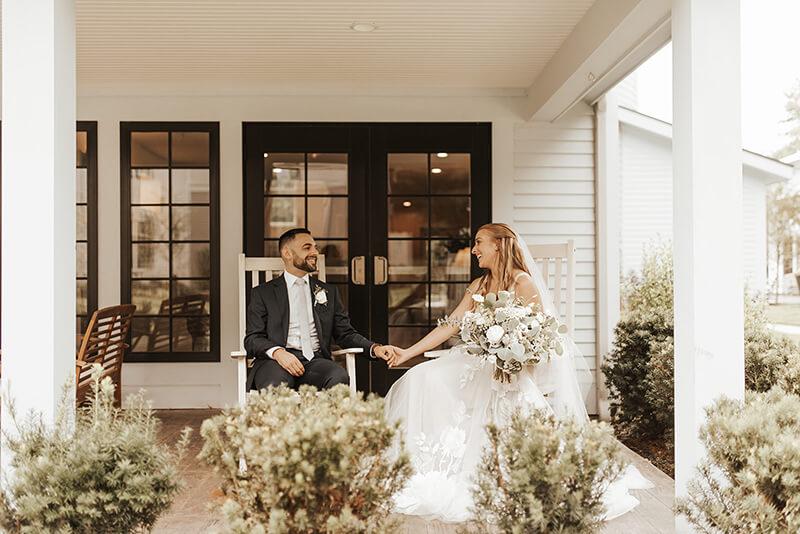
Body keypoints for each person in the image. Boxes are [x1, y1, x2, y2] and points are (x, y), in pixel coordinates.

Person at [380, 223, 651, 523]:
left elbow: (539, 341)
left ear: (499, 245)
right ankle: (427, 462)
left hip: (510, 368)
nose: (473, 250)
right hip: (474, 362)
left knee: (491, 391)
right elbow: (450, 325)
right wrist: (408, 352)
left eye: (479, 242)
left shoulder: (523, 284)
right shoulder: (478, 285)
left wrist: (509, 361)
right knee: (420, 376)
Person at [244, 228, 394, 391]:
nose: (315, 252)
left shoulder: (328, 292)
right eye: (307, 247)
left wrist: (375, 348)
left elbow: (345, 334)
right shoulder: (263, 293)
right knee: (276, 385)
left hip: (315, 362)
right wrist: (278, 353)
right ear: (287, 253)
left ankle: (329, 417)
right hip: (274, 363)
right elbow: (253, 339)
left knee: (338, 376)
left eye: (315, 247)